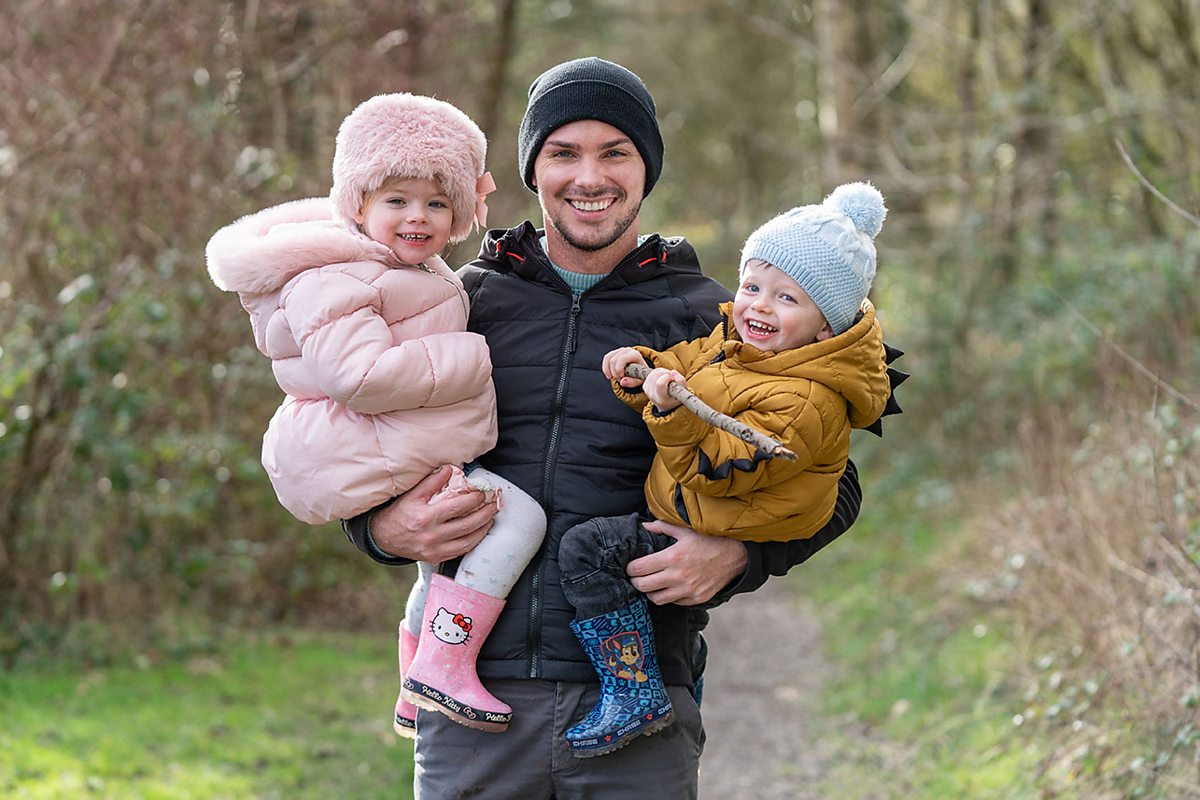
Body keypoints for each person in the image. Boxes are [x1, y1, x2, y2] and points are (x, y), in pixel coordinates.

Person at [342, 57, 889, 799]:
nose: (589, 177)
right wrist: (380, 526)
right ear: (533, 169)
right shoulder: (459, 301)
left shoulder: (713, 321)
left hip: (640, 700)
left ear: (647, 168)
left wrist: (736, 557)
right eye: (564, 153)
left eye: (615, 152)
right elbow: (353, 438)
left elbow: (832, 478)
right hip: (473, 695)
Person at [205, 93, 547, 739]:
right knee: (518, 518)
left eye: (437, 202)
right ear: (356, 204)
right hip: (364, 445)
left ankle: (415, 681)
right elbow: (357, 376)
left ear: (465, 210)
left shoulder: (401, 267)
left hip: (398, 446)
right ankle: (443, 665)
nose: (418, 217)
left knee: (440, 561)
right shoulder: (336, 274)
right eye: (397, 200)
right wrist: (472, 359)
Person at [557, 182, 893, 756]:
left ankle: (633, 689)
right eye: (753, 286)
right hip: (689, 512)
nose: (759, 305)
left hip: (716, 511)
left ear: (827, 328)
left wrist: (670, 409)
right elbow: (687, 366)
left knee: (590, 551)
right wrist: (644, 366)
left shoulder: (807, 398)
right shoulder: (732, 344)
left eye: (787, 298)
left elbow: (720, 467)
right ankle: (682, 672)